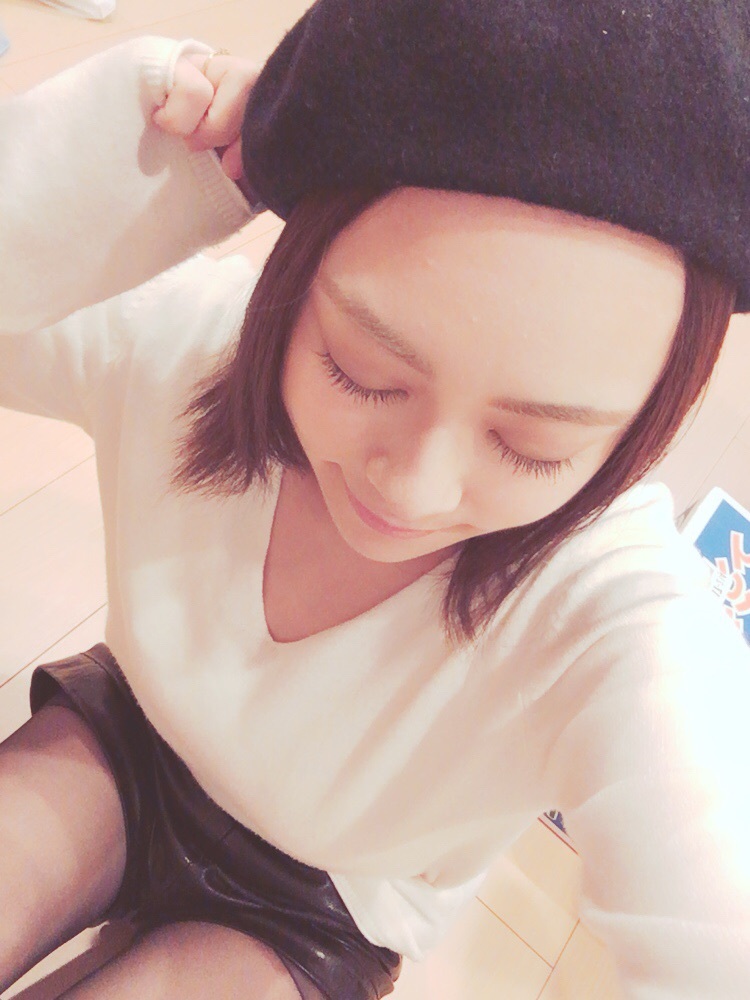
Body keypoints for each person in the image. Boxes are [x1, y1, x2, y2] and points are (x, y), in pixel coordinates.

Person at [1, 2, 749, 997]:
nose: (414, 487)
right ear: (294, 273)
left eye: (533, 446)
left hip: (329, 899)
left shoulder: (612, 611)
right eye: (359, 371)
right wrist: (129, 151)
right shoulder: (186, 348)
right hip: (132, 741)